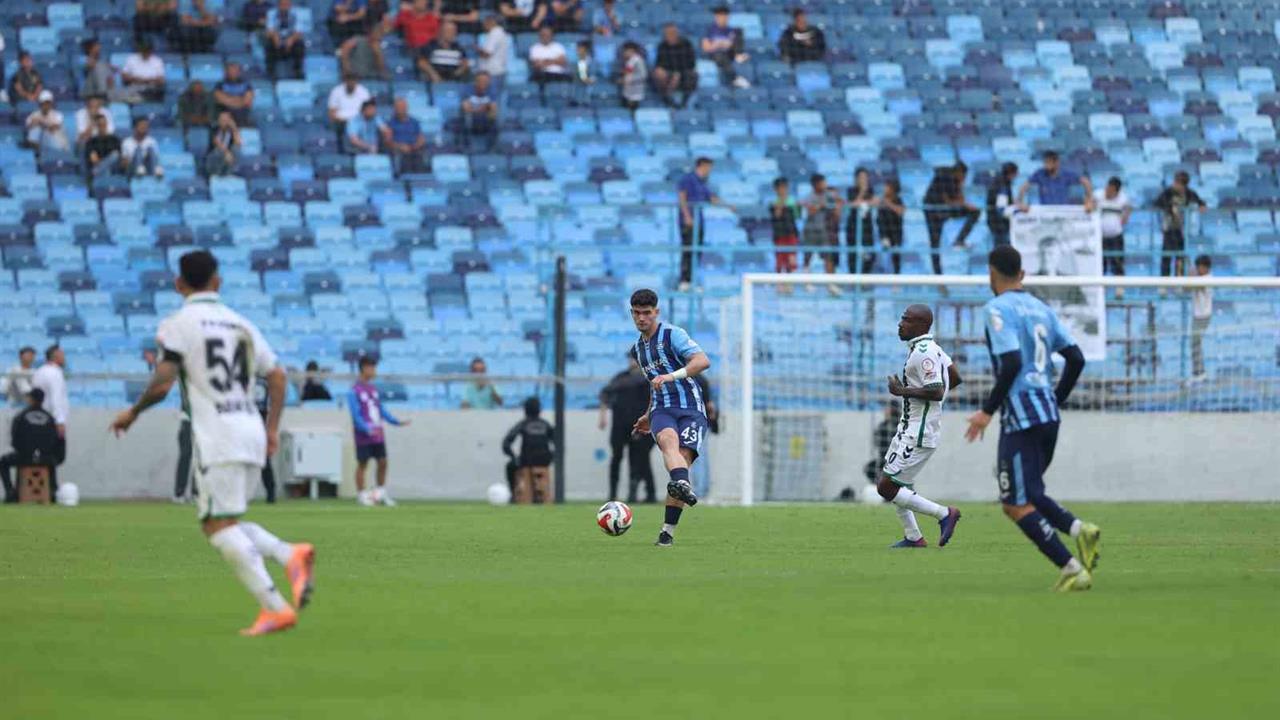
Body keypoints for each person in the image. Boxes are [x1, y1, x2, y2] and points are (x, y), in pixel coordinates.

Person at [110, 250, 315, 636]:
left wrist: (133, 412)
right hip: (251, 428)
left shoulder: (179, 324)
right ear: (217, 281)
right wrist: (272, 429)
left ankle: (276, 601)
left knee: (216, 526)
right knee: (228, 521)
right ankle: (289, 556)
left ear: (179, 284)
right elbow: (278, 377)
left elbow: (163, 381)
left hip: (216, 434)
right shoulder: (242, 324)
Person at [963, 245, 1100, 592]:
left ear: (992, 274)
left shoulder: (996, 310)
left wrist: (986, 413)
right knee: (1032, 492)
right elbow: (1076, 359)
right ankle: (1078, 530)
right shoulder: (1042, 309)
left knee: (1014, 502)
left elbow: (1010, 363)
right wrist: (1055, 398)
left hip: (1021, 418)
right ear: (1021, 274)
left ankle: (1071, 568)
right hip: (1048, 414)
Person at [628, 289, 712, 547]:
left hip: (691, 407)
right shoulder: (637, 350)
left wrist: (671, 376)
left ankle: (667, 531)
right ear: (632, 313)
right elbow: (654, 384)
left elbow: (702, 361)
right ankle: (683, 484)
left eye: (647, 313)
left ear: (656, 312)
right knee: (667, 441)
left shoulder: (672, 334)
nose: (642, 318)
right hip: (662, 409)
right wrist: (646, 413)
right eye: (637, 313)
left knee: (681, 461)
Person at [875, 305, 964, 548]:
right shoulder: (930, 348)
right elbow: (954, 377)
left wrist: (901, 391)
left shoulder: (923, 353)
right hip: (910, 426)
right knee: (895, 482)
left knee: (886, 487)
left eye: (906, 320)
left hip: (919, 431)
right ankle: (913, 536)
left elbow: (937, 391)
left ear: (922, 325)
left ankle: (945, 514)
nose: (900, 324)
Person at [348, 356, 408, 506]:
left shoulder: (373, 389)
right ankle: (362, 495)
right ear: (364, 368)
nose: (374, 371)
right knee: (363, 463)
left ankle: (381, 493)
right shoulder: (354, 391)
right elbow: (355, 414)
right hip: (364, 434)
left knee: (383, 462)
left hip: (378, 433)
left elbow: (380, 409)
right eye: (372, 367)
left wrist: (395, 421)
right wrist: (366, 429)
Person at [598, 357, 656, 503]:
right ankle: (612, 494)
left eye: (635, 359)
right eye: (631, 358)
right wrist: (603, 415)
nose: (632, 362)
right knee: (616, 458)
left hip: (639, 426)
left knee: (637, 460)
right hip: (619, 425)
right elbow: (605, 394)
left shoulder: (647, 378)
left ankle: (636, 494)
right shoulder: (620, 377)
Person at [676, 157, 729, 291]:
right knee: (688, 250)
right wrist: (687, 216)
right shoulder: (688, 179)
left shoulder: (702, 183)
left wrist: (728, 206)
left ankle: (692, 280)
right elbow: (682, 197)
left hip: (699, 220)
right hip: (688, 221)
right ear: (702, 166)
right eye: (709, 167)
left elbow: (711, 198)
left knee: (697, 251)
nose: (710, 171)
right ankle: (684, 281)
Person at [0, 389, 59, 503]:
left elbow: (14, 439)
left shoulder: (21, 416)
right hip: (45, 459)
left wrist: (24, 451)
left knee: (3, 462)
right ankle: (52, 492)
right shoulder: (50, 418)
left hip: (24, 457)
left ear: (31, 399)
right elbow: (55, 440)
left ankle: (10, 493)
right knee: (52, 462)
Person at [923, 162, 979, 274]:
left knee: (976, 212)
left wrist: (960, 186)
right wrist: (964, 204)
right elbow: (948, 201)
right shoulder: (942, 177)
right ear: (958, 172)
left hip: (946, 210)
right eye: (963, 176)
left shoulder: (957, 180)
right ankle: (938, 278)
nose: (964, 179)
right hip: (933, 213)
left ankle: (959, 240)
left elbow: (959, 199)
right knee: (935, 245)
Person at [32, 345, 69, 497]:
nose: (64, 357)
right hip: (51, 421)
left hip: (37, 420)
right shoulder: (55, 374)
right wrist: (60, 421)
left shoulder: (39, 372)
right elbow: (56, 398)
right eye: (62, 354)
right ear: (55, 356)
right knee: (56, 456)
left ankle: (47, 487)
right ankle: (51, 489)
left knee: (45, 455)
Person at [502, 397, 556, 504]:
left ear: (525, 410)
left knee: (510, 466)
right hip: (544, 461)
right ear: (539, 410)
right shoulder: (546, 425)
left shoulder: (523, 424)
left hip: (526, 460)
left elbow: (506, 443)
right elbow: (558, 443)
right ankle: (542, 495)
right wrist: (551, 456)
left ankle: (514, 495)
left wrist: (513, 456)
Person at [1153, 170, 1207, 277]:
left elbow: (1199, 200)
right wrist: (1169, 208)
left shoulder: (1188, 193)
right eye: (1175, 181)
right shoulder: (1168, 192)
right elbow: (1157, 203)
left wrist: (1201, 205)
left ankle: (1179, 280)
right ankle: (1164, 282)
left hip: (1180, 229)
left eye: (1177, 183)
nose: (1174, 184)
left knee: (1180, 256)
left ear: (1183, 185)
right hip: (1168, 228)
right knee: (1166, 256)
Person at [802, 173, 844, 292]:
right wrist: (821, 205)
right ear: (815, 184)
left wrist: (837, 204)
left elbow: (837, 208)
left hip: (824, 230)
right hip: (810, 230)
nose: (825, 185)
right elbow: (810, 211)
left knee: (828, 257)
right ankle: (806, 283)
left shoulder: (828, 196)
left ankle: (830, 284)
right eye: (822, 183)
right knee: (808, 257)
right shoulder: (809, 196)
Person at [1016, 150, 1095, 211]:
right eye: (1045, 162)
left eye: (1048, 162)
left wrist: (1089, 199)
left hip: (1063, 211)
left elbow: (1086, 182)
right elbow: (1024, 187)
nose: (1045, 165)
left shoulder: (1066, 174)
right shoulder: (1039, 174)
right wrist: (1021, 202)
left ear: (1056, 163)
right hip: (1045, 211)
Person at [1095, 176, 1132, 287]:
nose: (1108, 192)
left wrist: (1125, 217)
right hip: (1101, 237)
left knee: (1118, 262)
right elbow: (1088, 204)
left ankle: (1119, 289)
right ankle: (1101, 289)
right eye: (1107, 188)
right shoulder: (1098, 195)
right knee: (1101, 263)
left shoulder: (1123, 198)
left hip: (1116, 236)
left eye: (1111, 190)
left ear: (1117, 191)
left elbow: (1128, 208)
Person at [703, 5, 751, 89]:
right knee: (720, 55)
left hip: (729, 52)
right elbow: (706, 48)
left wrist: (729, 44)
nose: (722, 18)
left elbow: (732, 44)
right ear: (716, 17)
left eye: (725, 16)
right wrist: (718, 44)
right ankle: (735, 78)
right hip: (716, 54)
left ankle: (738, 55)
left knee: (738, 32)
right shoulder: (710, 30)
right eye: (720, 16)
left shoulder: (731, 30)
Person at [653, 23, 697, 108]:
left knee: (693, 75)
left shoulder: (686, 44)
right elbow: (659, 64)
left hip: (684, 73)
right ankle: (667, 99)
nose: (670, 35)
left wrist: (678, 74)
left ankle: (685, 101)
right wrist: (671, 73)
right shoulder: (662, 46)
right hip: (669, 74)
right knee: (658, 73)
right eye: (668, 33)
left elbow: (691, 63)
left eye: (672, 33)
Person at [264, 0, 308, 80]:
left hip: (291, 41)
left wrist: (291, 39)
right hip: (277, 40)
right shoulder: (271, 13)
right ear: (278, 5)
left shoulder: (298, 13)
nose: (284, 7)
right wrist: (275, 36)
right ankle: (270, 72)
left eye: (287, 4)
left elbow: (299, 31)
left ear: (290, 5)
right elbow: (269, 31)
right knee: (268, 44)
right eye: (282, 4)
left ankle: (298, 72)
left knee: (299, 44)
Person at [382, 97, 428, 173]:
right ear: (394, 109)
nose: (400, 109)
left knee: (420, 157)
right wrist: (400, 147)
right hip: (400, 151)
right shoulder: (390, 123)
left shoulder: (414, 122)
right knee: (404, 159)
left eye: (402, 107)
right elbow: (388, 141)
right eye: (398, 107)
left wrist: (415, 146)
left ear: (406, 108)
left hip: (414, 150)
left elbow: (421, 138)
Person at [846, 167, 878, 274]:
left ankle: (865, 277)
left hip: (867, 226)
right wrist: (862, 192)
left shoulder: (871, 190)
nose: (863, 180)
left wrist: (864, 202)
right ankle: (853, 278)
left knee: (870, 253)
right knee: (853, 253)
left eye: (865, 177)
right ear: (856, 179)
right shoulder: (851, 190)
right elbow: (853, 204)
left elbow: (875, 202)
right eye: (861, 177)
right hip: (853, 226)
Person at [328, 74, 373, 146]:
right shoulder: (336, 91)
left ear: (356, 81)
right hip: (341, 122)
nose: (351, 83)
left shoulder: (364, 92)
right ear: (345, 81)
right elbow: (331, 114)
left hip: (359, 122)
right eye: (349, 80)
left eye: (353, 80)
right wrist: (345, 121)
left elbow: (369, 111)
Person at [862, 402, 900, 484]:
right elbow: (877, 441)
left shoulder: (900, 424)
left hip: (897, 459)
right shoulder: (883, 425)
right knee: (869, 469)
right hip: (883, 459)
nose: (885, 411)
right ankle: (880, 487)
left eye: (887, 409)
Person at [460, 73, 498, 152]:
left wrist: (476, 108)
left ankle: (491, 149)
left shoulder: (491, 91)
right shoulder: (468, 90)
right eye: (481, 81)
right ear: (476, 82)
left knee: (495, 121)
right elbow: (466, 108)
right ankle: (466, 147)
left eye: (486, 81)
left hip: (486, 119)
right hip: (471, 119)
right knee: (465, 120)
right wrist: (483, 108)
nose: (483, 83)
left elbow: (494, 108)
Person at [770, 177, 800, 275]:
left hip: (791, 234)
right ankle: (780, 283)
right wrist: (782, 202)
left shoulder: (792, 201)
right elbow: (777, 215)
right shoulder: (773, 203)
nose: (782, 191)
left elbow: (797, 216)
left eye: (784, 188)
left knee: (791, 259)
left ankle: (789, 282)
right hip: (779, 235)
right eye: (780, 188)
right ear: (775, 189)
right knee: (780, 259)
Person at [1190, 255, 1213, 383]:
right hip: (1197, 315)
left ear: (1205, 267)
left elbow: (1193, 287)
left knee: (1195, 343)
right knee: (1194, 343)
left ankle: (1199, 372)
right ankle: (1198, 371)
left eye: (1199, 267)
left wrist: (1190, 277)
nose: (1198, 269)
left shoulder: (1208, 279)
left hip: (1203, 316)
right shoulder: (1199, 278)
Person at [121, 39, 167, 103]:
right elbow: (124, 77)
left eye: (148, 50)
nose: (146, 52)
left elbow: (161, 80)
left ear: (151, 50)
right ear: (140, 49)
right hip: (134, 89)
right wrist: (148, 80)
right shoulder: (131, 59)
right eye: (144, 50)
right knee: (127, 96)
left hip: (152, 90)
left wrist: (142, 80)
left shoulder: (157, 61)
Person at [985, 162, 1019, 247]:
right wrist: (1018, 209)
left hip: (995, 222)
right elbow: (1002, 210)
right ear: (1012, 173)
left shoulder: (998, 181)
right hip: (1000, 225)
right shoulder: (1002, 185)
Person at [476, 14, 510, 98]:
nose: (483, 25)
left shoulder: (495, 33)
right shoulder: (501, 33)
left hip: (492, 72)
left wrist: (476, 49)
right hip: (498, 71)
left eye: (485, 22)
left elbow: (487, 53)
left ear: (491, 22)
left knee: (492, 98)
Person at [213, 62, 256, 126]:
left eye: (235, 70)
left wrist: (229, 99)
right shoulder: (220, 85)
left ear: (239, 71)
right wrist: (239, 99)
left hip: (243, 116)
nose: (233, 72)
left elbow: (247, 101)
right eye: (231, 70)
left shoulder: (246, 85)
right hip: (225, 116)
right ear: (227, 71)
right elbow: (220, 99)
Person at [878, 178, 906, 274]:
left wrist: (889, 204)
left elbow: (901, 211)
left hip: (896, 230)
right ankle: (884, 239)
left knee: (896, 256)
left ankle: (897, 279)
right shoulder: (881, 200)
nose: (885, 188)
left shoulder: (898, 200)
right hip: (885, 230)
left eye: (887, 186)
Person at [85, 113, 123, 178]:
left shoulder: (115, 139)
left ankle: (99, 173)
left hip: (112, 169)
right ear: (96, 126)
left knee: (114, 156)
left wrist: (105, 163)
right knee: (107, 168)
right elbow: (94, 160)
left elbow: (119, 159)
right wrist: (106, 163)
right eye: (100, 125)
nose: (102, 127)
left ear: (107, 124)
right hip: (98, 168)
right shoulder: (91, 142)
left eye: (104, 124)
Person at [206, 111, 241, 176]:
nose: (223, 121)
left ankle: (232, 173)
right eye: (222, 119)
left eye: (226, 120)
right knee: (218, 152)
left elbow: (238, 143)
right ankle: (216, 174)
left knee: (236, 149)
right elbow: (217, 142)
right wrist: (226, 152)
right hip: (214, 157)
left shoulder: (231, 131)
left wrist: (234, 127)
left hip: (228, 158)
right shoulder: (214, 128)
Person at [617, 41, 647, 110]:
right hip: (628, 89)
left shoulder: (638, 61)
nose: (623, 53)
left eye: (625, 51)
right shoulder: (629, 61)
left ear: (632, 51)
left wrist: (628, 79)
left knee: (633, 109)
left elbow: (643, 75)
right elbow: (628, 72)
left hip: (636, 89)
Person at [572, 40, 595, 105]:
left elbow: (590, 78)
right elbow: (582, 78)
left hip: (587, 94)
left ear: (586, 50)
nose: (577, 50)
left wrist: (588, 79)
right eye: (577, 48)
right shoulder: (577, 62)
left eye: (580, 48)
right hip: (577, 92)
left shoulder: (591, 62)